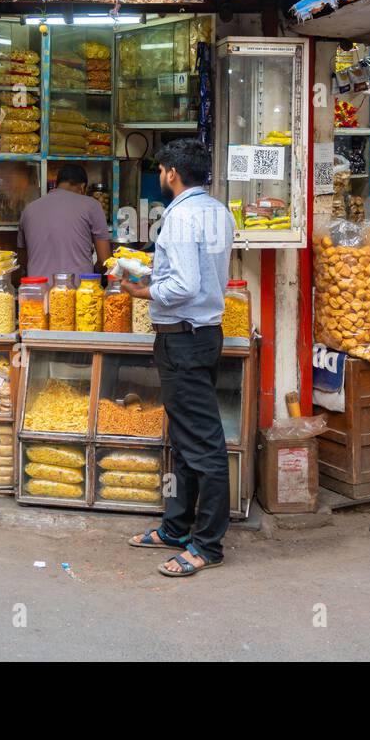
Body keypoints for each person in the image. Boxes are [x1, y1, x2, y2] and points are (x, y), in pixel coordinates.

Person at [120, 139, 235, 578]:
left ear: (170, 172)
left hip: (183, 338)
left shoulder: (181, 216)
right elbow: (202, 274)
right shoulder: (218, 212)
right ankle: (175, 528)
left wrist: (141, 289)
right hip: (204, 335)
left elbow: (184, 286)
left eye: (163, 171)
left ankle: (206, 545)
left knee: (203, 446)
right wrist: (154, 269)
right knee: (187, 441)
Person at [17, 162, 112, 278]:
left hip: (37, 292)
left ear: (57, 184)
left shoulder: (28, 209)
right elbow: (105, 261)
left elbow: (23, 260)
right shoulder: (92, 205)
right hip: (78, 293)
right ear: (82, 188)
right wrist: (95, 269)